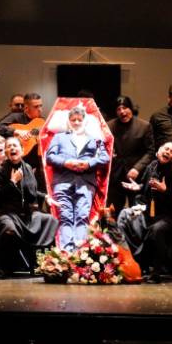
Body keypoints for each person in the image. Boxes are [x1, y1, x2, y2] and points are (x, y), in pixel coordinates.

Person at [118, 141, 172, 282]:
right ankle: (134, 263)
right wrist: (138, 188)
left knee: (156, 230)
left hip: (171, 216)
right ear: (159, 150)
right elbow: (145, 188)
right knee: (125, 218)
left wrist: (166, 191)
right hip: (152, 212)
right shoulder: (152, 166)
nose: (168, 152)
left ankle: (156, 272)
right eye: (166, 149)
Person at [0, 137, 58, 275]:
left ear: (22, 149)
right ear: (6, 152)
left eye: (15, 146)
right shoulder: (0, 170)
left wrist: (45, 197)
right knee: (9, 229)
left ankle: (39, 263)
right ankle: (6, 266)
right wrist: (12, 182)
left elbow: (31, 191)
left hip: (25, 213)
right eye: (9, 146)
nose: (12, 148)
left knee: (50, 220)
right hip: (5, 212)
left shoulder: (27, 168)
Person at [45, 105, 110, 250]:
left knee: (82, 216)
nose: (76, 122)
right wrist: (65, 162)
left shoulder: (95, 138)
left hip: (86, 182)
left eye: (79, 120)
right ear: (68, 121)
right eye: (73, 119)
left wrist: (88, 164)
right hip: (62, 182)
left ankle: (80, 253)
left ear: (84, 121)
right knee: (65, 217)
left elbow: (105, 158)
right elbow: (49, 157)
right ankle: (66, 254)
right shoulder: (59, 137)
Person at [106, 95, 154, 210]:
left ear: (131, 108)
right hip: (115, 175)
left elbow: (150, 151)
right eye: (118, 109)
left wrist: (137, 168)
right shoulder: (109, 126)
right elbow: (103, 147)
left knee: (137, 210)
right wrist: (109, 152)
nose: (122, 112)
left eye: (125, 108)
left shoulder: (144, 126)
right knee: (113, 210)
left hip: (136, 176)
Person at [0, 92, 47, 191]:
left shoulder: (42, 122)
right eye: (36, 107)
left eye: (41, 106)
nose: (40, 109)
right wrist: (17, 131)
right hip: (17, 166)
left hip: (38, 168)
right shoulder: (16, 117)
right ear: (26, 108)